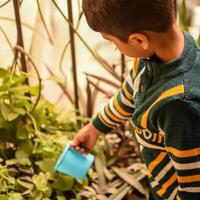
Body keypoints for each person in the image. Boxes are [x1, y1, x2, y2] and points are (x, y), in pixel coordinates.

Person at [71, 0, 200, 199]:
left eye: (113, 43)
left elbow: (193, 185)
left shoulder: (179, 106)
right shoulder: (156, 53)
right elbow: (130, 93)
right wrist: (95, 128)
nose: (115, 48)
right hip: (160, 182)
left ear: (139, 40)